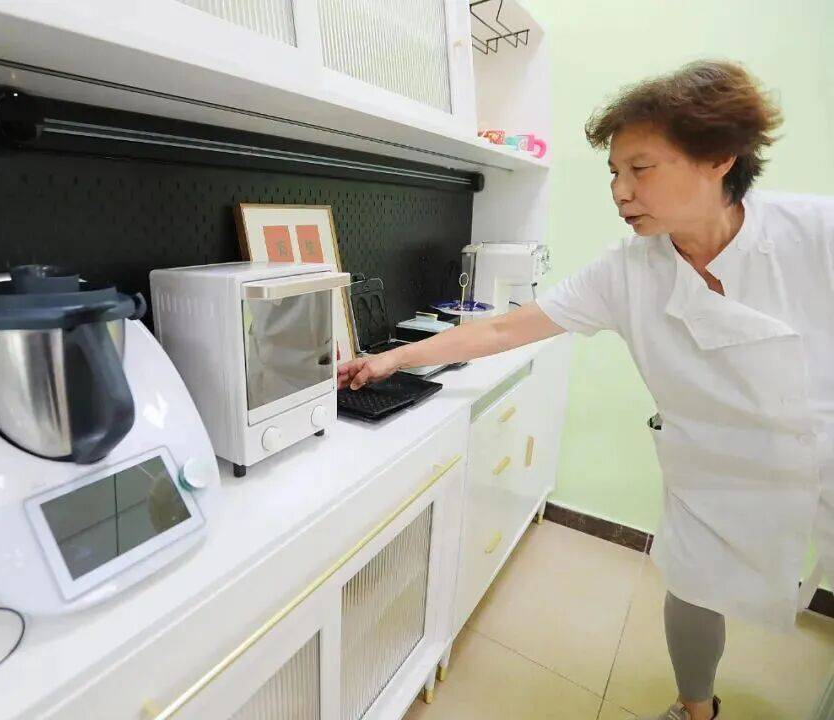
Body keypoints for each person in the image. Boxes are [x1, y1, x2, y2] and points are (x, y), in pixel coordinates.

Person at [338, 60, 834, 720]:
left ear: (719, 157)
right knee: (691, 589)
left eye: (640, 168)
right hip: (710, 463)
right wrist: (395, 358)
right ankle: (695, 708)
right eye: (614, 172)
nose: (620, 191)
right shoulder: (627, 271)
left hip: (823, 451)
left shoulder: (815, 232)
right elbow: (503, 329)